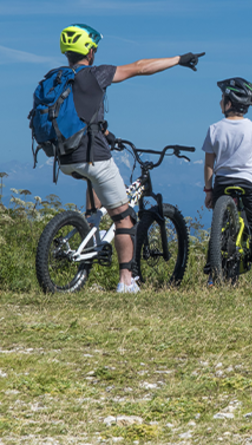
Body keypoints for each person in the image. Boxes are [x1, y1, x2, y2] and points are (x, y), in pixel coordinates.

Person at [57, 23, 204, 293]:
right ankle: (126, 281)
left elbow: (77, 115)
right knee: (124, 217)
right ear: (89, 51)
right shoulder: (96, 74)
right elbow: (140, 66)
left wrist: (105, 132)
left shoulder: (59, 78)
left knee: (94, 180)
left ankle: (91, 228)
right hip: (93, 156)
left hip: (65, 157)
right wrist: (178, 60)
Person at [202, 77, 252, 288]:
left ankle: (212, 273)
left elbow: (209, 164)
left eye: (222, 98)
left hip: (223, 182)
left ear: (229, 102)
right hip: (249, 183)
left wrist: (208, 190)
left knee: (219, 227)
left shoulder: (214, 129)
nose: (220, 102)